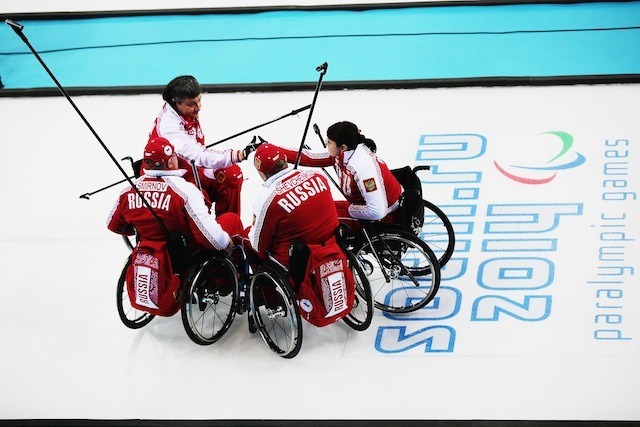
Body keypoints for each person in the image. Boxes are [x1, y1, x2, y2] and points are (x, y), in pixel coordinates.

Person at [107, 137, 244, 257]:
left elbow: (113, 225)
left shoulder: (128, 191)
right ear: (170, 163)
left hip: (148, 249)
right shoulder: (185, 191)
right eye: (174, 155)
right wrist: (226, 244)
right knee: (232, 220)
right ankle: (225, 280)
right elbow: (210, 236)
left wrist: (144, 234)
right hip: (187, 252)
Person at [261, 121, 402, 234]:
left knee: (319, 218)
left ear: (343, 147)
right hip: (364, 207)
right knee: (319, 209)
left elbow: (377, 211)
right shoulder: (343, 154)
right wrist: (271, 149)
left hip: (386, 217)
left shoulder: (362, 167)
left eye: (329, 142)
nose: (326, 145)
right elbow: (309, 157)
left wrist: (350, 209)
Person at [149, 75, 260, 217]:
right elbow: (199, 156)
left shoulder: (183, 110)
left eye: (199, 100)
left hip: (190, 167)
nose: (198, 107)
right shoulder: (169, 127)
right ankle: (204, 234)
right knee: (200, 199)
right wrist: (240, 154)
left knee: (232, 175)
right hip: (174, 174)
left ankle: (230, 227)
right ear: (175, 102)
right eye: (191, 104)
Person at [246, 143, 339, 268]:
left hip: (299, 260)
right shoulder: (318, 176)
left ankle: (264, 287)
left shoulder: (267, 200)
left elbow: (257, 245)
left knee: (246, 239)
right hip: (332, 244)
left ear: (261, 172)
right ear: (285, 160)